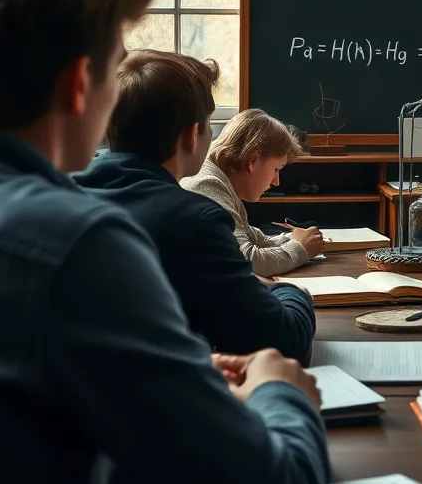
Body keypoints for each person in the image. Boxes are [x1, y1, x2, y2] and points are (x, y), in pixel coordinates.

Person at [0, 0, 329, 484]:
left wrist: (181, 367)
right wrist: (282, 394)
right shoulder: (77, 243)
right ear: (81, 85)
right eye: (114, 67)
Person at [75, 50, 316, 363]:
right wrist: (292, 292)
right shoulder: (194, 222)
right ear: (192, 137)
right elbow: (287, 342)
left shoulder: (63, 194)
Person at [183, 108, 325, 277]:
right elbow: (246, 260)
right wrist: (300, 248)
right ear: (253, 160)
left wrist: (291, 239)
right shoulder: (207, 185)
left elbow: (250, 236)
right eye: (276, 169)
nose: (276, 181)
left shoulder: (219, 180)